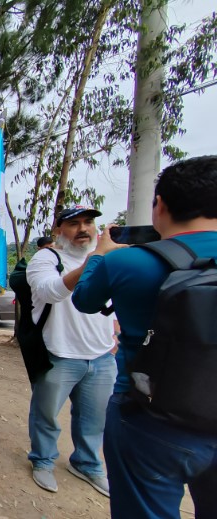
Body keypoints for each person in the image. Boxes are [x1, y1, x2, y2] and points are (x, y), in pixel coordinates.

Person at [72, 156, 217, 518]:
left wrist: (99, 256)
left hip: (148, 418)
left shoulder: (127, 263)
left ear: (161, 205)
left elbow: (84, 299)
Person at [25, 205, 116, 496]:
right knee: (47, 414)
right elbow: (51, 291)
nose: (83, 229)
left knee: (94, 418)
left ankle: (87, 464)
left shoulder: (109, 260)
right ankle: (42, 460)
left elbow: (116, 299)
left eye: (88, 222)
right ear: (58, 230)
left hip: (101, 356)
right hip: (59, 354)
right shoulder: (46, 258)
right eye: (74, 223)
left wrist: (115, 333)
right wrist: (93, 261)